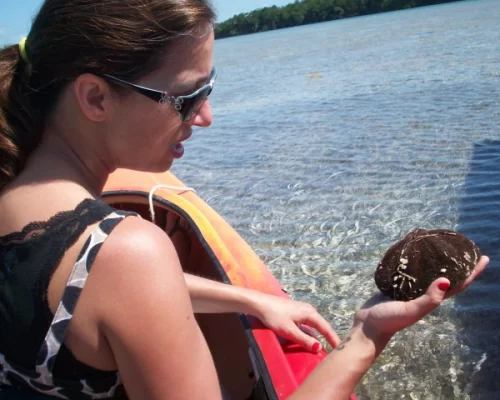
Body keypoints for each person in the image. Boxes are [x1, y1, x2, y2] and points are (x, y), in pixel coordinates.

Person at [0, 1, 488, 399]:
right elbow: (120, 280)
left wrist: (247, 298)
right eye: (188, 97)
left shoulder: (17, 189)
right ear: (96, 99)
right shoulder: (125, 254)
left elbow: (93, 297)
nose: (207, 116)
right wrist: (365, 337)